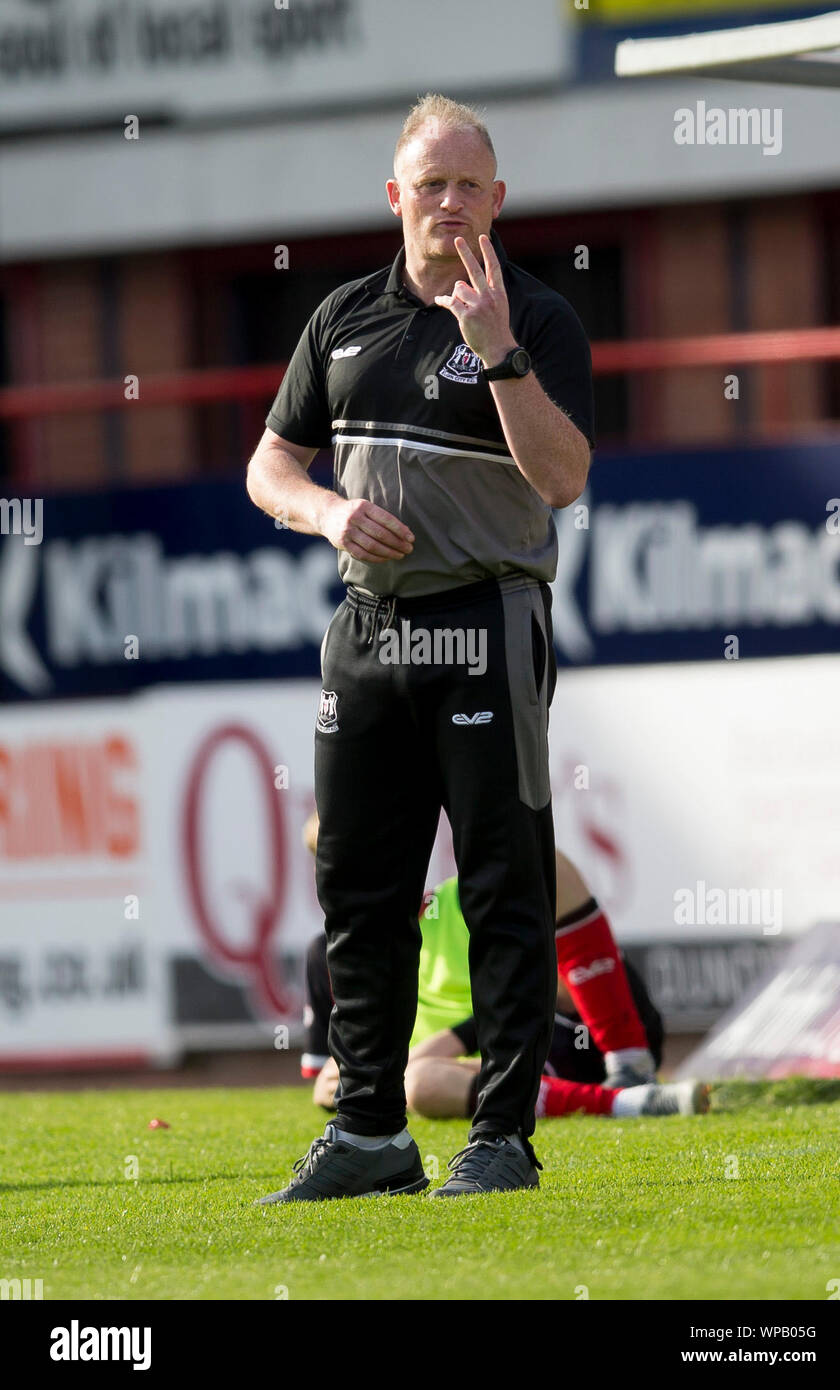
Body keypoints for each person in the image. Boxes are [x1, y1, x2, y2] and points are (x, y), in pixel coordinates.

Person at [247, 92, 594, 1202]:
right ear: (394, 196)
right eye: (428, 184)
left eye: (468, 184)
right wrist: (326, 514)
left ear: (498, 199)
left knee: (500, 882)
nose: (448, 203)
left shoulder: (537, 319)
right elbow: (268, 467)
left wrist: (494, 354)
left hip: (485, 617)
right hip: (364, 626)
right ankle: (368, 1135)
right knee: (357, 885)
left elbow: (562, 479)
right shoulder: (341, 316)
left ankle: (499, 1134)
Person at [301, 815, 709, 1127]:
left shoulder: (460, 901)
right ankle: (629, 1104)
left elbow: (561, 990)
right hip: (473, 1078)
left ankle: (631, 1069)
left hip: (560, 1040)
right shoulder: (331, 954)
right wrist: (341, 1084)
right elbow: (329, 1080)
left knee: (540, 856)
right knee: (420, 1085)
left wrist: (453, 1039)